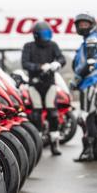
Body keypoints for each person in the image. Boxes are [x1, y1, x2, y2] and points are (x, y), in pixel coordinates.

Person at [71, 13, 97, 162]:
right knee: (92, 117)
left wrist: (76, 79)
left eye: (85, 24)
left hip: (91, 82)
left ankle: (88, 151)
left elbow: (90, 64)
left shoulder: (91, 39)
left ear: (92, 25)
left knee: (85, 118)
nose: (82, 27)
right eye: (79, 24)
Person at [21, 21, 66, 156]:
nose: (46, 37)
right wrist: (40, 67)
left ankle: (54, 142)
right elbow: (25, 63)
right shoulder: (28, 46)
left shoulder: (53, 45)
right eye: (43, 35)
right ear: (35, 35)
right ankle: (37, 142)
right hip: (34, 84)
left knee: (53, 112)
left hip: (50, 83)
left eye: (48, 34)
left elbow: (62, 58)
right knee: (36, 113)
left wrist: (57, 63)